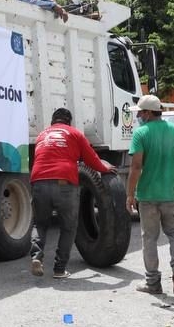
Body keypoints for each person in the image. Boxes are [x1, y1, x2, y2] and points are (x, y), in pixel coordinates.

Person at [30, 107, 115, 279]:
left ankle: (36, 257)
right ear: (69, 122)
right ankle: (59, 269)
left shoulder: (42, 135)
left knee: (40, 224)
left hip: (38, 181)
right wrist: (103, 168)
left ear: (53, 121)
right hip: (64, 183)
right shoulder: (74, 134)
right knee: (68, 227)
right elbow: (91, 158)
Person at [125, 94, 174, 296]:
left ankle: (153, 283)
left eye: (141, 113)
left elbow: (136, 167)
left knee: (150, 239)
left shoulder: (141, 133)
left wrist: (129, 194)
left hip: (148, 196)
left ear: (148, 112)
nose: (139, 116)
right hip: (172, 194)